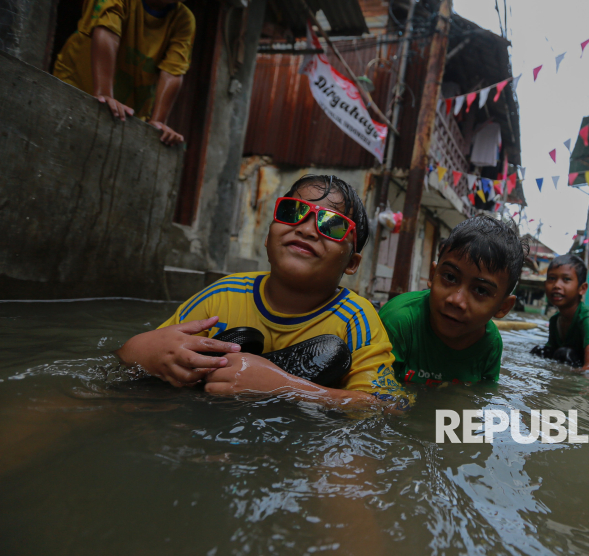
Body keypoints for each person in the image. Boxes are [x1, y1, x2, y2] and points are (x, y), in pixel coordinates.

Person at [114, 175, 408, 412]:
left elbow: (388, 408)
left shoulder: (356, 318)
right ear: (268, 237)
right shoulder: (223, 295)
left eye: (332, 225)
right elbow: (130, 359)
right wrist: (143, 351)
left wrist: (283, 387)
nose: (306, 230)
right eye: (293, 212)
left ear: (352, 264)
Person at [379, 215, 527, 385]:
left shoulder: (490, 343)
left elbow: (480, 398)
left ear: (503, 307)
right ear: (432, 275)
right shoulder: (399, 321)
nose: (456, 300)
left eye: (480, 290)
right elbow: (375, 394)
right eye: (450, 277)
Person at [53, 0, 195, 146]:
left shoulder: (183, 19)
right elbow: (106, 31)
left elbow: (173, 71)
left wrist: (157, 124)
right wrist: (105, 94)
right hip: (76, 87)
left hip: (126, 116)